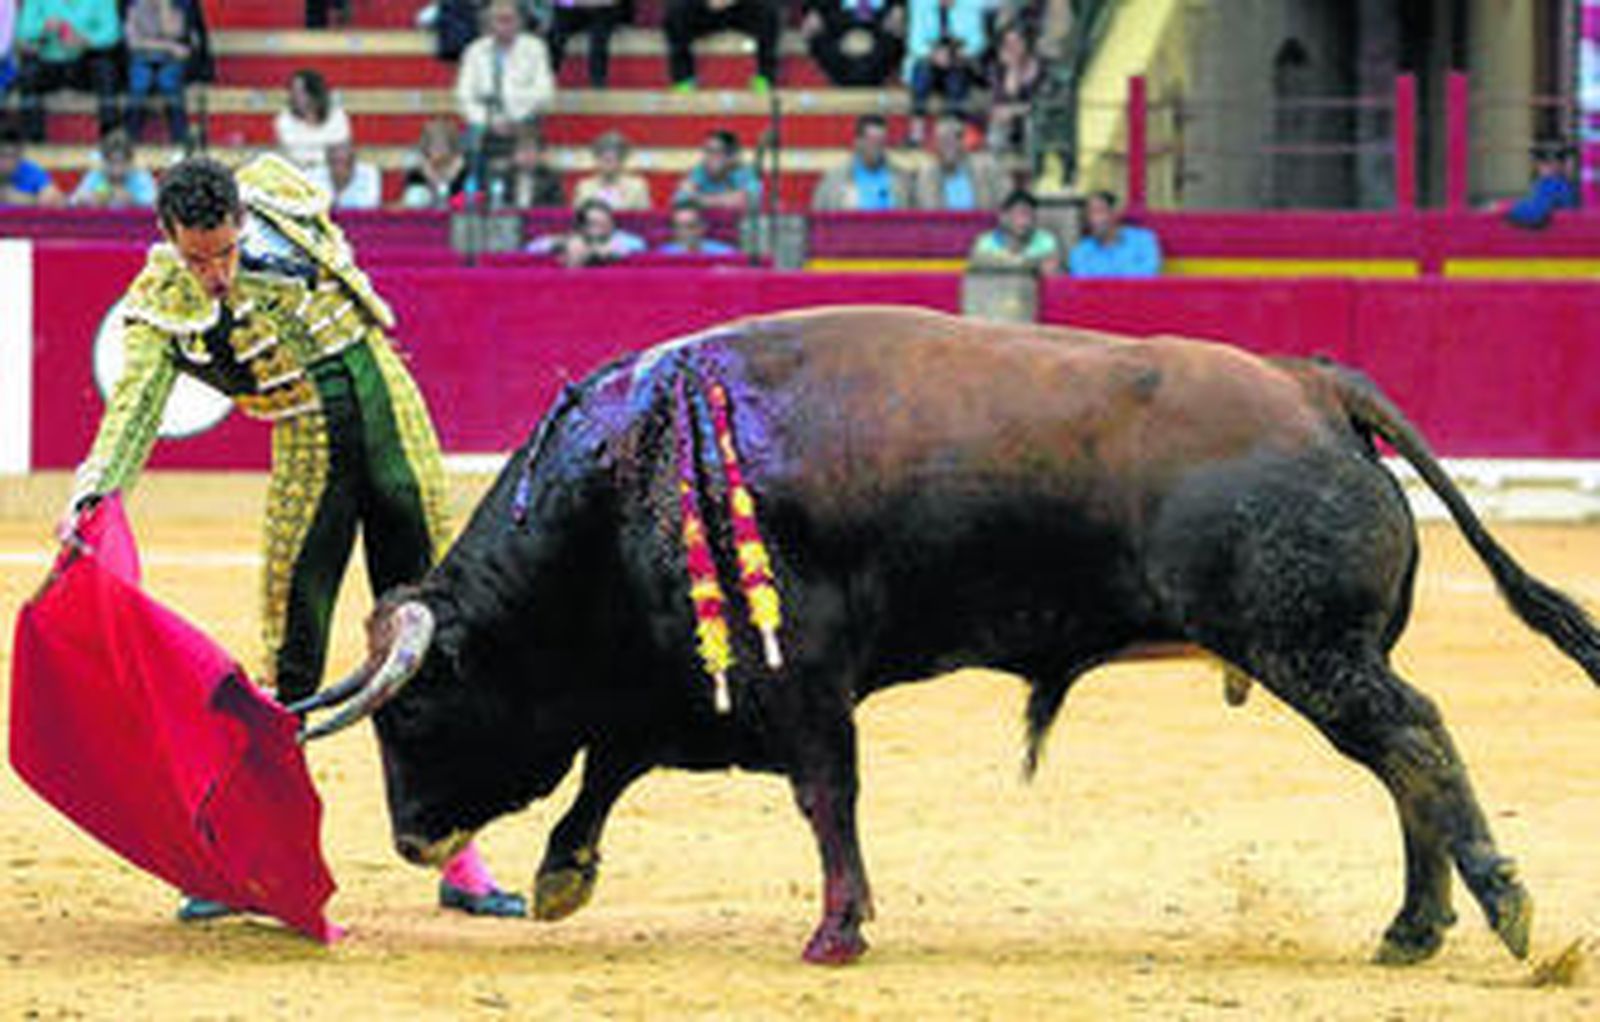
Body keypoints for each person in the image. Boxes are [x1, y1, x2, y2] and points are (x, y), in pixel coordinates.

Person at [57, 154, 527, 922]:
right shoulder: (160, 302)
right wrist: (93, 492)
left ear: (242, 220)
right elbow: (134, 410)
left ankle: (458, 857)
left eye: (224, 251)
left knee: (429, 639)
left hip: (395, 420)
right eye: (196, 256)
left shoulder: (281, 197)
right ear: (168, 238)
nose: (213, 273)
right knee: (290, 659)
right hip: (309, 448)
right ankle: (241, 858)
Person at [455, 0, 554, 193]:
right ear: (488, 23)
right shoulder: (474, 51)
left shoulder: (535, 49)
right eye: (498, 20)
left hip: (523, 120)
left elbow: (544, 93)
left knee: (529, 140)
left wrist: (512, 116)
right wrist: (488, 120)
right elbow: (464, 96)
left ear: (519, 21)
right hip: (484, 122)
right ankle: (478, 195)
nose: (503, 25)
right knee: (470, 142)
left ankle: (523, 195)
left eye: (509, 19)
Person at [12, 0, 122, 142]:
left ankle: (109, 136)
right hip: (49, 61)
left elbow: (112, 33)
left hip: (84, 61)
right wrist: (44, 27)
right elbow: (23, 31)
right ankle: (34, 138)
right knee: (28, 74)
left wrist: (86, 40)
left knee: (106, 70)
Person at [902, 0, 985, 147]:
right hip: (929, 61)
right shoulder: (921, 5)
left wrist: (955, 55)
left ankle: (954, 133)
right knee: (922, 71)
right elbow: (914, 42)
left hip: (958, 61)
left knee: (956, 77)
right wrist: (934, 55)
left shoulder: (970, 7)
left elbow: (979, 42)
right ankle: (916, 133)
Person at [122, 0, 200, 145]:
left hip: (170, 59)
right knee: (139, 84)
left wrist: (164, 7)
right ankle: (130, 137)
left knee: (168, 82)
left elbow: (173, 32)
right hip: (143, 56)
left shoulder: (177, 5)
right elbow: (134, 43)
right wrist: (168, 46)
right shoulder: (134, 6)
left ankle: (179, 138)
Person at [663, 0, 780, 94]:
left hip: (740, 9)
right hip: (704, 10)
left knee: (770, 9)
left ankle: (765, 77)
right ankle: (683, 78)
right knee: (675, 10)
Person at [811, 113, 911, 211]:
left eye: (882, 142)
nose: (878, 147)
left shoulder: (901, 179)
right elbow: (817, 218)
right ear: (857, 142)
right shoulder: (834, 179)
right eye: (872, 141)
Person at [800, 0, 905, 88]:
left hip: (882, 38)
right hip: (837, 35)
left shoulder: (896, 9)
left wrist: (900, 9)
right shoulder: (821, 11)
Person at [912, 112, 1005, 210]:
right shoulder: (928, 174)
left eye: (955, 138)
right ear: (937, 145)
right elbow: (927, 211)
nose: (950, 145)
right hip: (943, 225)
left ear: (963, 142)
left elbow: (1005, 202)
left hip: (983, 224)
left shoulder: (986, 166)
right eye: (944, 140)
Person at [526, 197, 646, 266]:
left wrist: (606, 250)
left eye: (604, 223)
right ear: (582, 226)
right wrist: (561, 244)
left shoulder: (621, 238)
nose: (599, 229)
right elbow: (531, 248)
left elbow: (639, 246)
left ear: (612, 223)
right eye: (593, 224)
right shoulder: (572, 238)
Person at [1068, 189, 1161, 278]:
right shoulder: (1080, 252)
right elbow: (1084, 286)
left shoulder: (1143, 241)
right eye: (1089, 213)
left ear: (1115, 214)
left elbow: (1148, 275)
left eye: (1099, 211)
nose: (1093, 219)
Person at [273, 69, 351, 174]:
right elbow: (294, 155)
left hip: (333, 176)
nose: (294, 97)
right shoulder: (284, 119)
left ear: (315, 93)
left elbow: (340, 152)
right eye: (292, 91)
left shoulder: (337, 116)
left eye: (300, 92)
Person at [967, 187, 1060, 274]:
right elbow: (978, 269)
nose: (1024, 221)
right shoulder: (985, 243)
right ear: (1003, 216)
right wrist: (1027, 264)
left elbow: (1053, 269)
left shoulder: (1045, 241)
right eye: (1019, 213)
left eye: (1028, 214)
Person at [982, 21, 1041, 153]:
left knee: (1030, 123)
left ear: (1026, 42)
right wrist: (1013, 68)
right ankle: (1000, 161)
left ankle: (1035, 162)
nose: (1013, 47)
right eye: (1008, 44)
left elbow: (1038, 104)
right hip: (1009, 119)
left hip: (1033, 118)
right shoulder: (997, 69)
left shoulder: (1038, 66)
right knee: (996, 128)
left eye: (1017, 42)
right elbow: (998, 104)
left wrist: (1015, 111)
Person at [674, 128, 761, 212]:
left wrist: (700, 199)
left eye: (714, 152)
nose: (708, 157)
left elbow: (749, 203)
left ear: (731, 156)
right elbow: (680, 201)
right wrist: (725, 200)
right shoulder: (700, 171)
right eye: (706, 151)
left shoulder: (744, 172)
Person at [546, 0, 628, 88]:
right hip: (569, 8)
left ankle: (598, 84)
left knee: (598, 41)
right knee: (556, 36)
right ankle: (548, 76)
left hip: (602, 9)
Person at [69, 129, 156, 207]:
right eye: (111, 162)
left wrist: (133, 200)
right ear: (104, 161)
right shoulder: (97, 173)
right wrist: (85, 199)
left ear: (130, 162)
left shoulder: (140, 175)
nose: (116, 170)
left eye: (121, 163)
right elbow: (73, 201)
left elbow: (154, 203)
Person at [1504, 141, 1579, 229]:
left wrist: (1509, 209)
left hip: (1556, 235)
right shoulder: (1550, 183)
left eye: (1546, 163)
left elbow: (1535, 212)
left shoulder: (1555, 185)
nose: (1540, 167)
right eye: (1541, 163)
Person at [572, 129, 651, 211]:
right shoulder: (584, 187)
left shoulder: (637, 187)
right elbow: (577, 220)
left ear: (622, 160)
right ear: (596, 159)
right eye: (603, 158)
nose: (606, 164)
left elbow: (645, 221)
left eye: (611, 159)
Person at [399, 117, 469, 209]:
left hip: (449, 194)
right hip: (425, 197)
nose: (439, 149)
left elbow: (456, 159)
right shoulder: (420, 161)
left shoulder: (457, 161)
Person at [492, 120, 563, 208]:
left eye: (531, 149)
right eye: (522, 149)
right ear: (513, 154)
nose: (527, 155)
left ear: (539, 154)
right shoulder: (503, 177)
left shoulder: (551, 179)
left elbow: (558, 211)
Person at [310, 139, 382, 210]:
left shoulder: (368, 174)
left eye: (343, 151)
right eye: (333, 151)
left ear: (352, 156)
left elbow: (370, 206)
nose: (337, 155)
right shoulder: (315, 175)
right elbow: (311, 206)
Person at [0, 122, 62, 205]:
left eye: (9, 156)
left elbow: (56, 200)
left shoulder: (31, 170)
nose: (3, 161)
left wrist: (14, 197)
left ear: (19, 155)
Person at [657, 196, 736, 255]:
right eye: (678, 227)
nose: (684, 232)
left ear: (703, 227)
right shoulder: (662, 255)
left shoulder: (725, 254)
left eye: (690, 226)